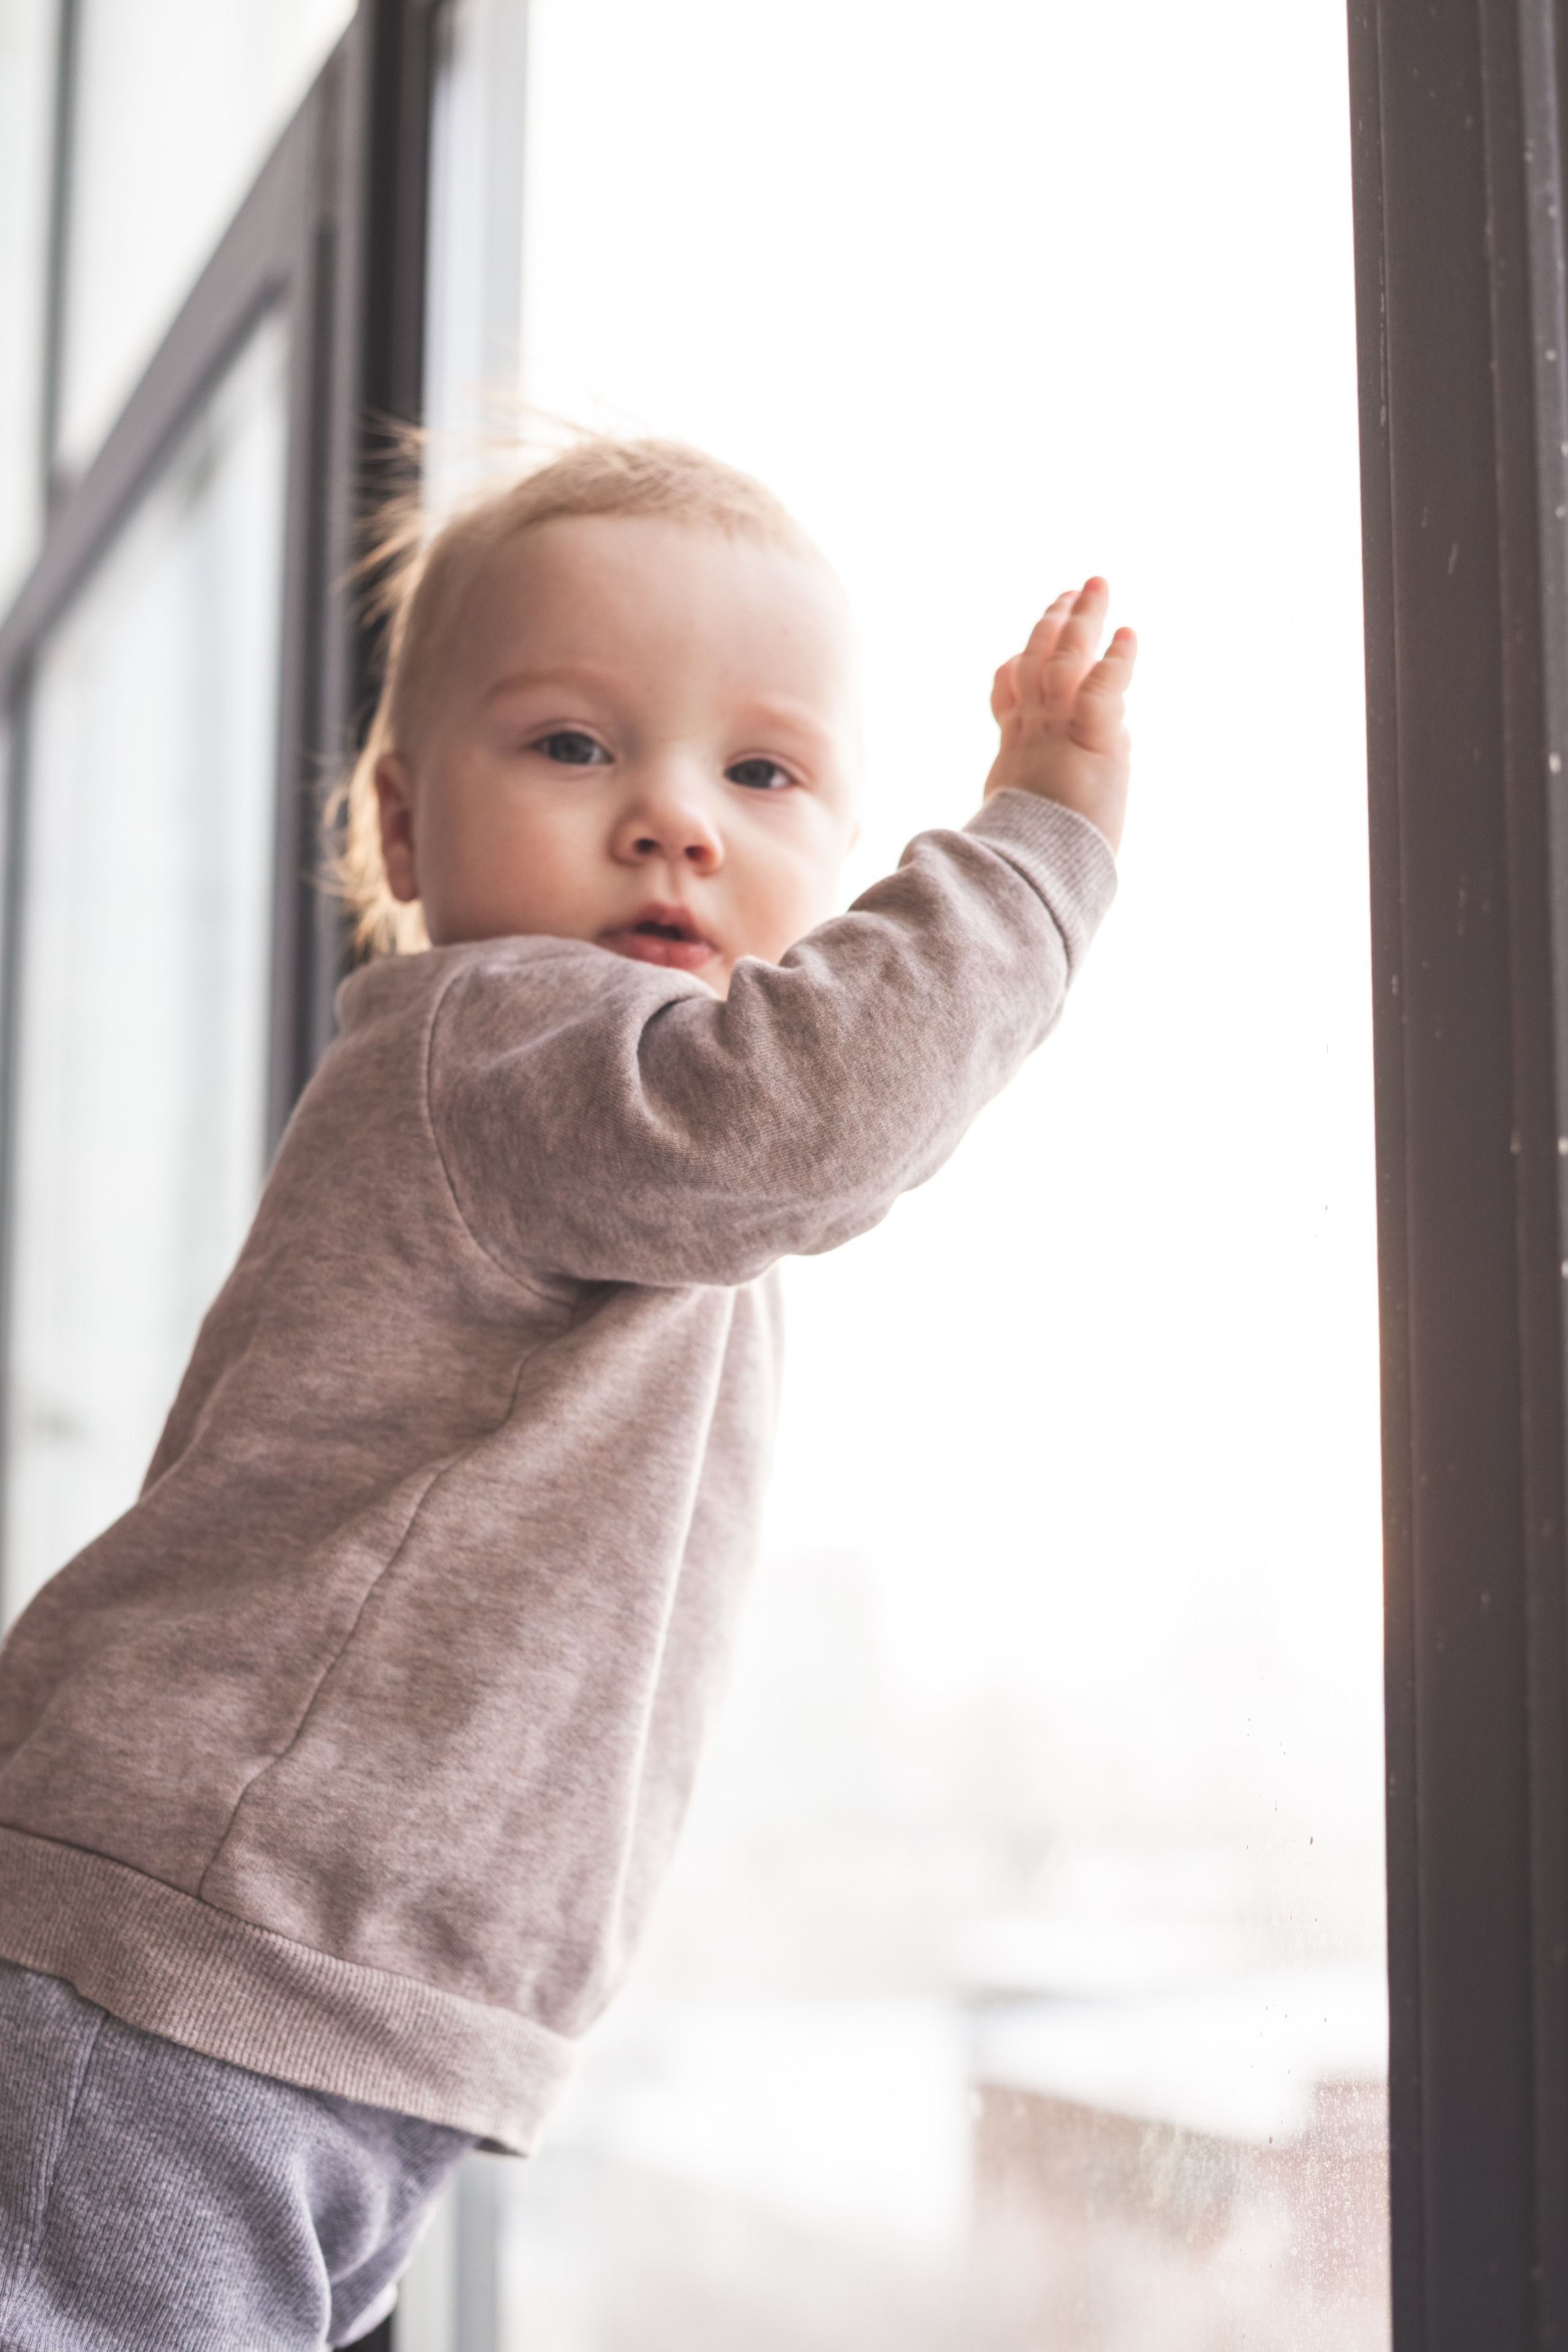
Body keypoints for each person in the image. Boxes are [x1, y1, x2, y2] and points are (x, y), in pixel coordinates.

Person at [0, 435, 1134, 2350]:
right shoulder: (508, 1038)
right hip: (194, 1951)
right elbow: (819, 1103)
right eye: (573, 747)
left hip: (313, 1985)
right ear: (405, 829)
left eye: (759, 774)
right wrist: (1035, 847)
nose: (675, 821)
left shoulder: (602, 1134)